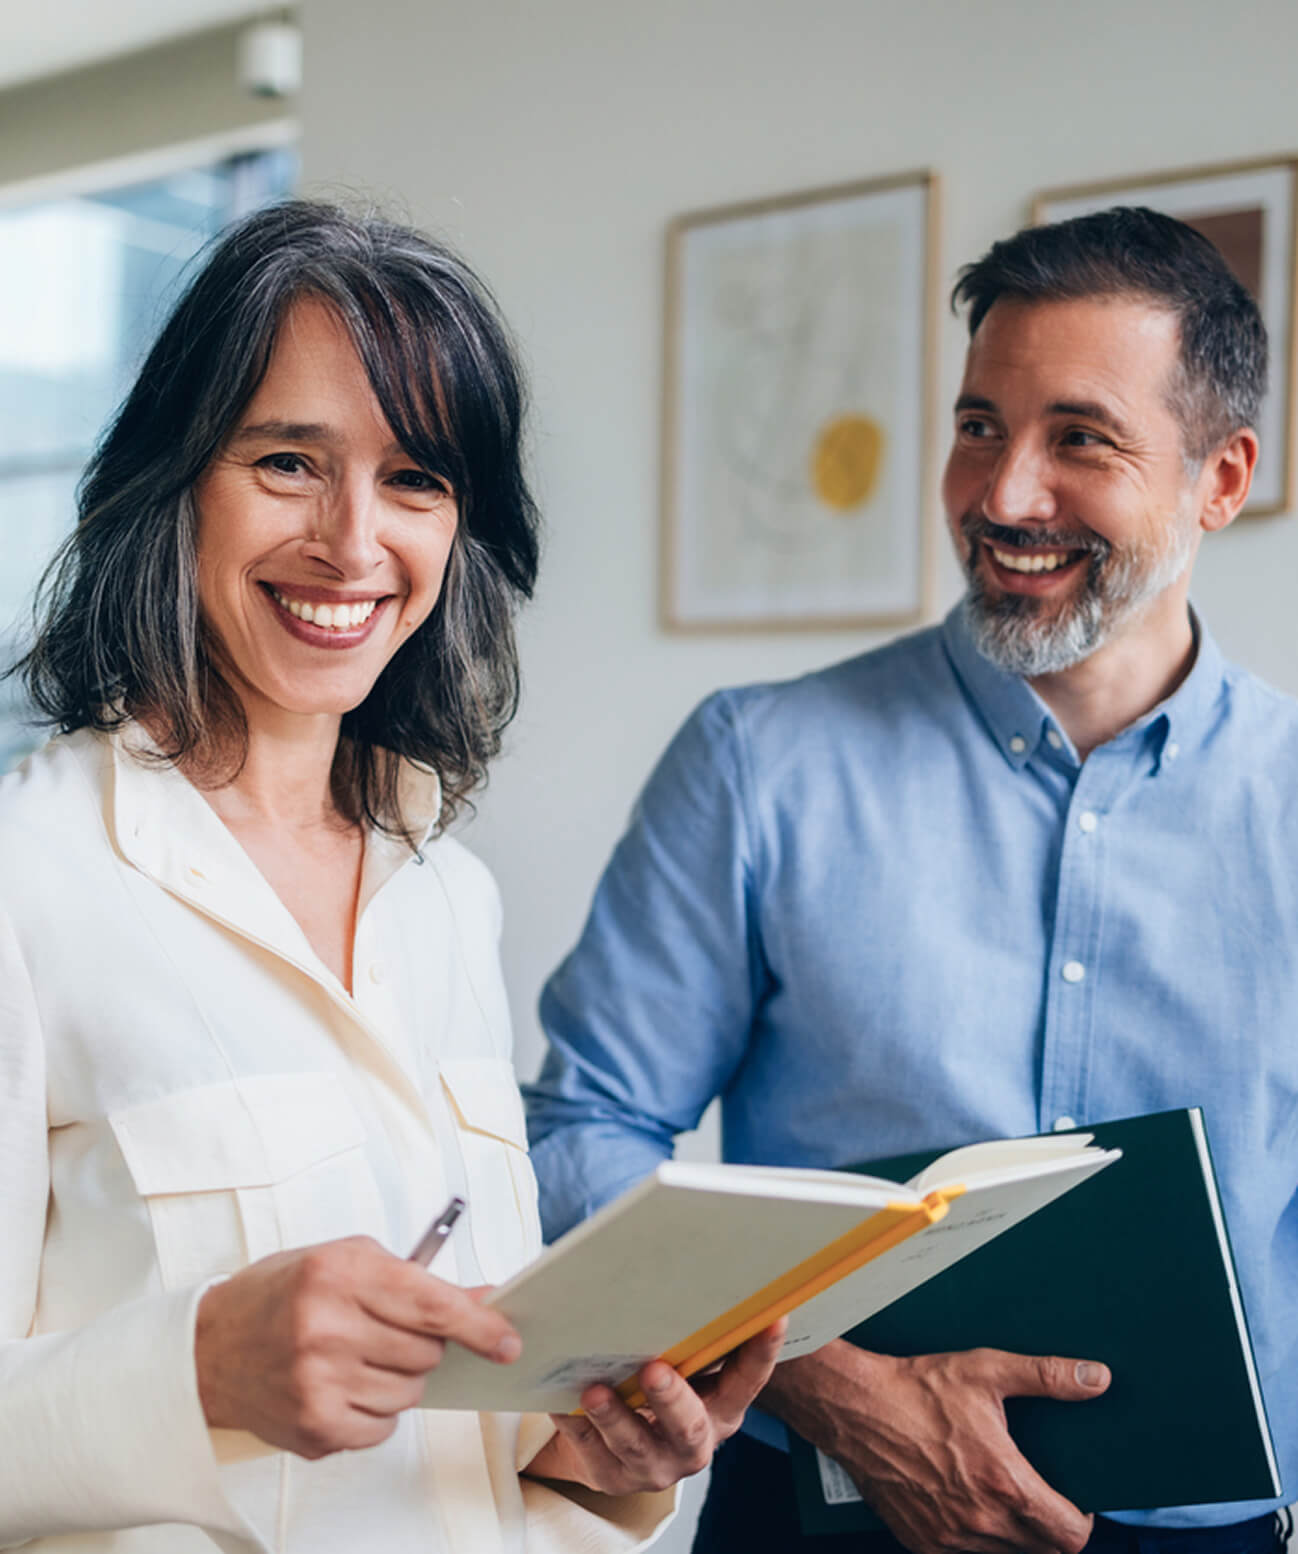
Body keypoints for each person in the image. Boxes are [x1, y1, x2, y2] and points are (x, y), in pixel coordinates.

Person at [0, 200, 783, 1554]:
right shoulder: (30, 874)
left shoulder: (447, 896)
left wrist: (603, 1458)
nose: (352, 543)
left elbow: (480, 1432)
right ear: (177, 478)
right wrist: (194, 1366)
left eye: (415, 478)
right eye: (290, 462)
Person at [525, 205, 1298, 1554]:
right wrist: (832, 1385)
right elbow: (582, 1129)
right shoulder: (756, 761)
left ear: (1218, 478)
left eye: (1080, 438)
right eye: (978, 425)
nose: (1001, 496)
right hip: (815, 1507)